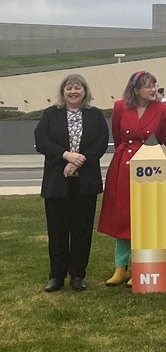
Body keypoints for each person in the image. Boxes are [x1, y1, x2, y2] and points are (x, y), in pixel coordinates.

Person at [34, 73, 108, 292]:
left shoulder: (95, 115)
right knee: (57, 231)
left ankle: (77, 275)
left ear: (85, 91)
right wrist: (66, 155)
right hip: (57, 182)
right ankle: (56, 275)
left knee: (81, 230)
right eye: (69, 88)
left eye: (78, 87)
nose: (73, 91)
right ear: (63, 92)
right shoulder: (50, 114)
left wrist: (78, 161)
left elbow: (100, 143)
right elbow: (41, 141)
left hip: (85, 183)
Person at [98, 70, 166, 287]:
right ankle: (120, 267)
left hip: (151, 168)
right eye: (148, 85)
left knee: (145, 217)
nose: (153, 89)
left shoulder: (164, 110)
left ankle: (141, 265)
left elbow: (165, 141)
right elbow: (119, 136)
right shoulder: (121, 107)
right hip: (124, 165)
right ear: (136, 88)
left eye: (155, 85)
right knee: (122, 215)